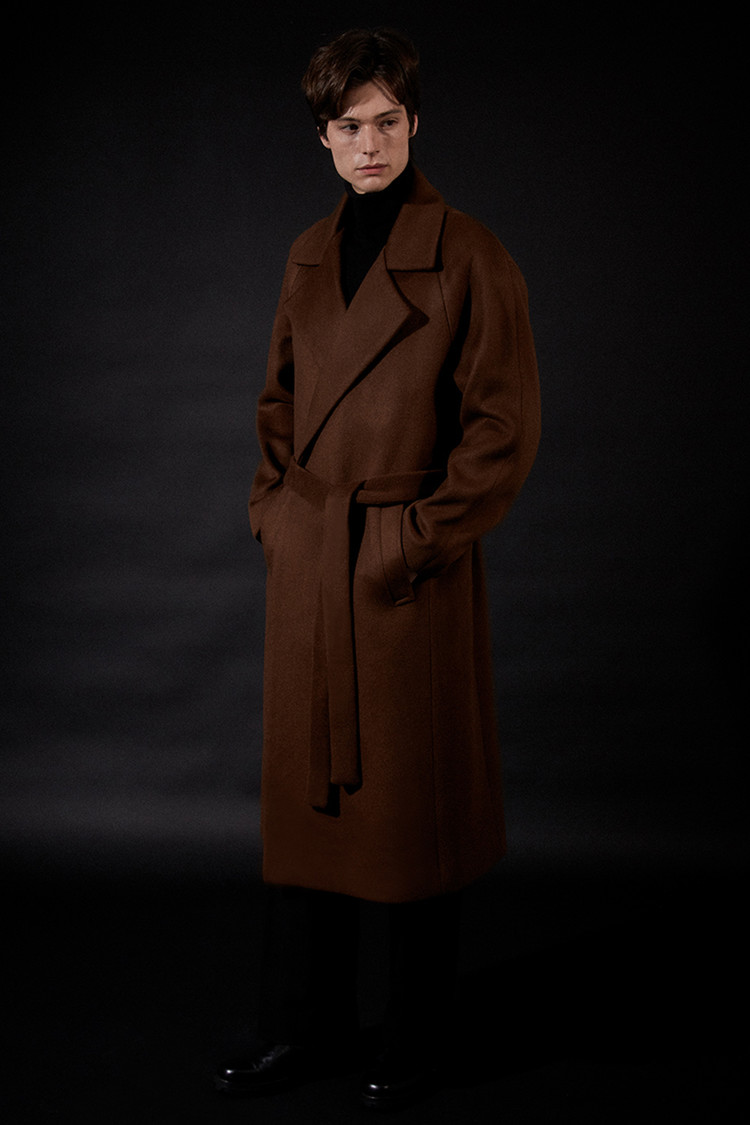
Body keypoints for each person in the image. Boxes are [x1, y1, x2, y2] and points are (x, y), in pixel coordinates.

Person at [214, 26, 541, 1110]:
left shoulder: (471, 255)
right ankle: (299, 1027)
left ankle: (416, 1032)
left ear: (414, 123)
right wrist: (274, 514)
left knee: (408, 818)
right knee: (306, 813)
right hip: (312, 565)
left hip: (400, 573)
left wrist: (412, 541)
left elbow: (503, 432)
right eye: (348, 126)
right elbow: (276, 403)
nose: (369, 144)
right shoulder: (308, 256)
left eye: (387, 122)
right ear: (322, 137)